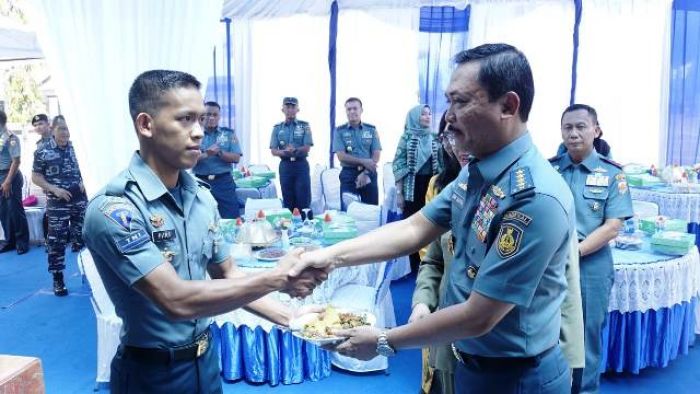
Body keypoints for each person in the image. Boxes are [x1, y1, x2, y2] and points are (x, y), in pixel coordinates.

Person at [296, 43, 575, 393]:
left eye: (461, 102)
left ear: (508, 105)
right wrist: (328, 257)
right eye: (449, 101)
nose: (449, 115)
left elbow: (479, 315)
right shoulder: (478, 171)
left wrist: (384, 341)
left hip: (515, 379)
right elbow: (415, 228)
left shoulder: (534, 197)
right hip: (468, 363)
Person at [82, 70, 328, 393]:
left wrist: (290, 317)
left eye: (200, 119)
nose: (199, 132)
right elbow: (176, 299)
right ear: (146, 125)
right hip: (152, 375)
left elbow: (228, 273)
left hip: (206, 365)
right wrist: (276, 278)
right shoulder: (115, 210)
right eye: (185, 120)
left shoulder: (201, 198)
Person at [550, 103, 633, 394]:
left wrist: (575, 252)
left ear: (596, 130)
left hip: (590, 269)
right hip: (548, 266)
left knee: (585, 337)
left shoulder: (613, 174)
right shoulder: (549, 169)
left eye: (581, 126)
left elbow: (613, 226)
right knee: (545, 331)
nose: (573, 133)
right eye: (567, 127)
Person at [409, 113, 464, 394]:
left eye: (464, 132)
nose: (457, 144)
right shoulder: (440, 184)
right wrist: (424, 299)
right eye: (449, 136)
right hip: (441, 292)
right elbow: (428, 247)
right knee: (436, 377)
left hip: (477, 321)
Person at [32, 123, 87, 296]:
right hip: (58, 204)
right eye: (62, 129)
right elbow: (36, 176)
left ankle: (90, 275)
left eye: (68, 129)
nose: (66, 132)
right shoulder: (42, 151)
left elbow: (89, 168)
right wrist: (54, 189)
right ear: (53, 130)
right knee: (57, 241)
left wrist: (86, 182)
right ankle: (58, 278)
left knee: (86, 236)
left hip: (80, 200)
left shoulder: (79, 148)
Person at [392, 104, 442, 270]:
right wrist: (399, 193)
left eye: (429, 114)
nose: (428, 117)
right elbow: (398, 164)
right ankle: (414, 267)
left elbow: (444, 162)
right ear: (414, 117)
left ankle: (431, 264)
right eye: (423, 114)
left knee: (431, 223)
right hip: (412, 188)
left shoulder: (435, 137)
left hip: (432, 186)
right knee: (412, 227)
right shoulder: (406, 137)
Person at [192, 101, 242, 219]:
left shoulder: (228, 134)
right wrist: (206, 154)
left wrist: (220, 153)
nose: (211, 118)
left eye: (215, 115)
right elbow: (185, 161)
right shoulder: (193, 134)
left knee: (230, 219)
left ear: (219, 117)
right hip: (200, 182)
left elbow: (236, 158)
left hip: (223, 182)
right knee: (202, 220)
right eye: (208, 114)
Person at [333, 97, 382, 211]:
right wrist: (363, 161)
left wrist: (365, 173)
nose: (352, 112)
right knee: (348, 211)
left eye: (355, 108)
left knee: (371, 212)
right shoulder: (339, 131)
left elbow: (376, 154)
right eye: (348, 109)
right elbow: (341, 156)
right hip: (348, 174)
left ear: (361, 110)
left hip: (369, 172)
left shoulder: (371, 130)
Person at [270, 97, 313, 213]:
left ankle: (307, 226)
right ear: (282, 109)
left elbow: (307, 147)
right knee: (288, 198)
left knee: (303, 199)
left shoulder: (304, 126)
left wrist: (295, 150)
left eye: (293, 107)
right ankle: (289, 228)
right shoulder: (277, 128)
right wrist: (284, 152)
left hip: (301, 165)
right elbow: (273, 150)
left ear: (297, 109)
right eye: (287, 107)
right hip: (285, 166)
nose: (290, 110)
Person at [0, 109, 30, 255]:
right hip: (1, 177)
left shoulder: (10, 138)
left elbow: (16, 161)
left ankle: (22, 242)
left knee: (15, 210)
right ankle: (9, 241)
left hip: (9, 177)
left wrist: (7, 181)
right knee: (3, 212)